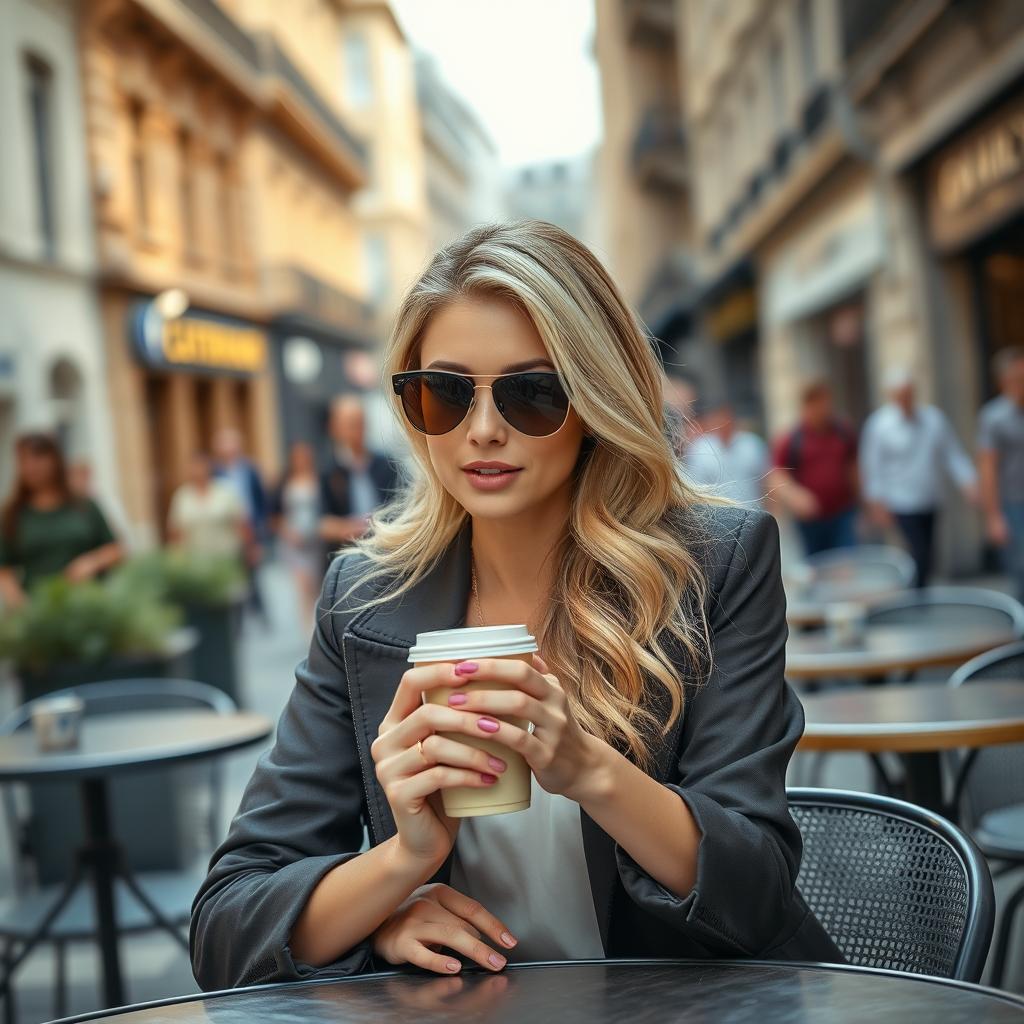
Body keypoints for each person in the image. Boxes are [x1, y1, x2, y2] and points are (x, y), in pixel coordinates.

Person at [191, 221, 841, 991]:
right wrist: (399, 872)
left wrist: (589, 770)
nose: (485, 431)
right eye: (445, 393)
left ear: (597, 395)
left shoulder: (712, 565)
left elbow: (756, 890)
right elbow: (226, 926)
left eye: (533, 393)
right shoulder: (364, 599)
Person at [860, 368, 978, 588]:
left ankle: (920, 591)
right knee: (919, 551)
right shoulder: (880, 425)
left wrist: (968, 481)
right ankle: (917, 594)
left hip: (929, 496)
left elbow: (952, 454)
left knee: (929, 552)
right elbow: (872, 467)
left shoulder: (934, 419)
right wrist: (876, 502)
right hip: (900, 500)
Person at [0, 432, 122, 607]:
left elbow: (116, 549)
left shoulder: (84, 506)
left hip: (89, 604)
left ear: (55, 460)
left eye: (38, 457)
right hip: (40, 608)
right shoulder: (13, 514)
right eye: (24, 460)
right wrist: (20, 606)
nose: (31, 466)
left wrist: (91, 562)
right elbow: (4, 568)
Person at [768, 380, 859, 555]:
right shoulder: (792, 439)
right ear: (807, 406)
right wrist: (795, 496)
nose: (824, 409)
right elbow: (777, 475)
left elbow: (853, 466)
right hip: (810, 522)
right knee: (817, 566)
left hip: (842, 513)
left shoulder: (843, 431)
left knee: (846, 562)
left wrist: (864, 503)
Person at [319, 394, 400, 559]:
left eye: (360, 423)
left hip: (385, 550)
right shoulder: (329, 470)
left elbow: (399, 505)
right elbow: (322, 523)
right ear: (335, 428)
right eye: (350, 424)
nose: (357, 430)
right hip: (347, 554)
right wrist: (351, 528)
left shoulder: (385, 464)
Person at [978, 347, 1024, 601]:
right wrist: (993, 516)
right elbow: (988, 467)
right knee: (1021, 571)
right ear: (1005, 381)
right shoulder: (994, 417)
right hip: (1013, 504)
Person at [213, 427, 269, 621]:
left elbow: (261, 501)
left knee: (253, 573)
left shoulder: (249, 469)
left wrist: (260, 534)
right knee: (235, 576)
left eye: (232, 443)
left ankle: (260, 611)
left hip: (250, 527)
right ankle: (240, 613)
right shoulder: (215, 472)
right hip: (227, 533)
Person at [272, 441, 324, 631]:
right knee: (303, 586)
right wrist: (288, 532)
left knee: (317, 585)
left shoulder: (319, 479)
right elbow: (276, 514)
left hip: (316, 539)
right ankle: (308, 630)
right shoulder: (285, 482)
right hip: (295, 542)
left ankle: (319, 625)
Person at [167, 451, 248, 563]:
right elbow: (175, 531)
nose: (197, 471)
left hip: (226, 557)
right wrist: (176, 557)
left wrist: (249, 548)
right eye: (193, 467)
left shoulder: (225, 491)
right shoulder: (182, 496)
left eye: (200, 466)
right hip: (195, 560)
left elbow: (241, 522)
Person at [684, 402, 769, 506]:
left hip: (754, 511)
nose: (723, 423)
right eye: (719, 419)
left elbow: (767, 480)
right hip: (719, 515)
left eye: (726, 419)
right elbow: (697, 487)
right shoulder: (700, 449)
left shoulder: (752, 444)